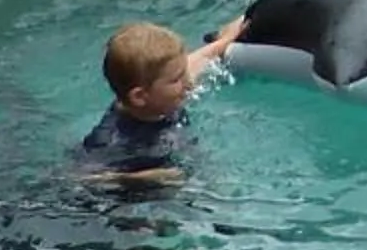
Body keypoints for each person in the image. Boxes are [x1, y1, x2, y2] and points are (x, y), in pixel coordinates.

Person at [78, 15, 245, 182]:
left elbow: (199, 60)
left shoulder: (160, 95)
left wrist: (226, 40)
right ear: (140, 96)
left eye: (184, 72)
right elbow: (84, 178)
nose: (188, 83)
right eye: (177, 79)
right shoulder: (111, 141)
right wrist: (151, 176)